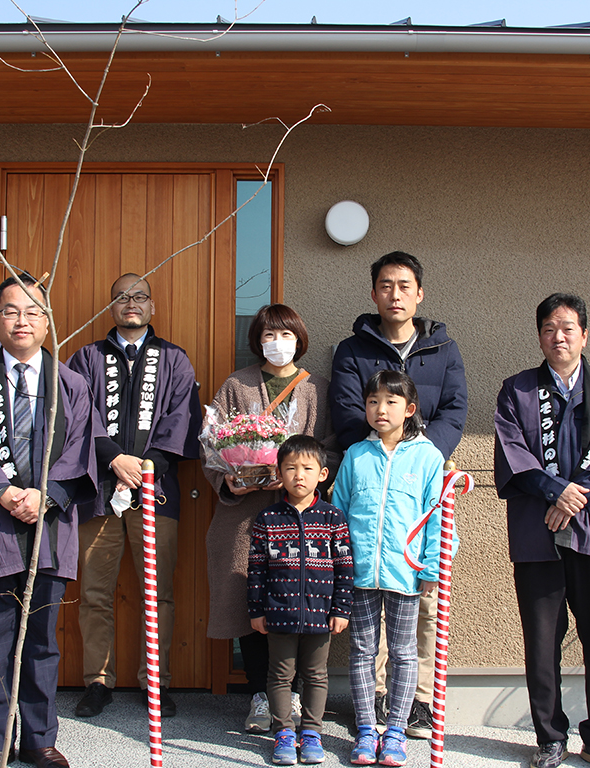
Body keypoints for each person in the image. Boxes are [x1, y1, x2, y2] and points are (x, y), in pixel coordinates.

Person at [0, 274, 99, 768]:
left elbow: (80, 451)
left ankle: (38, 739)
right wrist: (7, 493)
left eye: (33, 311)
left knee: (41, 642)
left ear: (48, 322)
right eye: (11, 311)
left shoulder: (70, 384)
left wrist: (45, 495)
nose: (22, 320)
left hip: (48, 526)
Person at [494, 293, 590, 768]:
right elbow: (514, 455)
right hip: (537, 533)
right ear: (539, 336)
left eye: (568, 328)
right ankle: (550, 737)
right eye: (549, 328)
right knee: (541, 640)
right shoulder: (516, 391)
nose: (559, 336)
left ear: (584, 335)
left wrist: (573, 496)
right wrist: (555, 491)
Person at [329, 250, 467, 738]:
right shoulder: (353, 349)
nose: (395, 294)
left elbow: (456, 407)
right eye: (386, 285)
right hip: (370, 473)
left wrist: (423, 452)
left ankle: (420, 701)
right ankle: (376, 705)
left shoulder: (443, 348)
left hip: (421, 479)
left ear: (419, 293)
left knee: (421, 602)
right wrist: (377, 446)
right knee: (370, 606)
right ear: (374, 293)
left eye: (404, 285)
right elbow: (346, 409)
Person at [68, 272, 201, 720]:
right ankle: (97, 682)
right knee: (94, 593)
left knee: (158, 594)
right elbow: (74, 418)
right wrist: (114, 460)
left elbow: (181, 420)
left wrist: (145, 470)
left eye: (140, 296)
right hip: (98, 492)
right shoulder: (85, 358)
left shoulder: (175, 360)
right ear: (111, 307)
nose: (131, 303)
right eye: (122, 297)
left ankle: (155, 683)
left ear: (152, 307)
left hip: (156, 492)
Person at [203, 304, 338, 734]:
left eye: (285, 335)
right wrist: (231, 479)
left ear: (300, 339)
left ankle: (294, 694)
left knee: (298, 598)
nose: (276, 344)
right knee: (250, 600)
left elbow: (331, 448)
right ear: (256, 340)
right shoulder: (236, 385)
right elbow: (212, 444)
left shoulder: (317, 388)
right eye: (267, 336)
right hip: (243, 518)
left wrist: (301, 478)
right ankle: (260, 696)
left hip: (299, 518)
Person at [333, 370, 452, 767]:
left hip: (406, 574)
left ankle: (396, 731)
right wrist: (340, 564)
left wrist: (431, 566)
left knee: (403, 653)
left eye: (390, 401)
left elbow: (437, 517)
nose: (380, 409)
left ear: (410, 409)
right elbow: (340, 513)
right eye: (372, 401)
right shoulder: (355, 455)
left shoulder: (428, 457)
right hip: (361, 572)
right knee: (363, 650)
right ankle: (367, 729)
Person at [247, 435, 354, 766]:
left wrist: (341, 609)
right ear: (279, 473)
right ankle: (283, 732)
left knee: (316, 674)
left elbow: (345, 568)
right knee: (279, 675)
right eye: (290, 468)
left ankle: (311, 733)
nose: (299, 475)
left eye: (307, 468)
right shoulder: (268, 520)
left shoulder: (332, 518)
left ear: (322, 474)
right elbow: (256, 571)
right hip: (279, 612)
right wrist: (256, 610)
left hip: (321, 615)